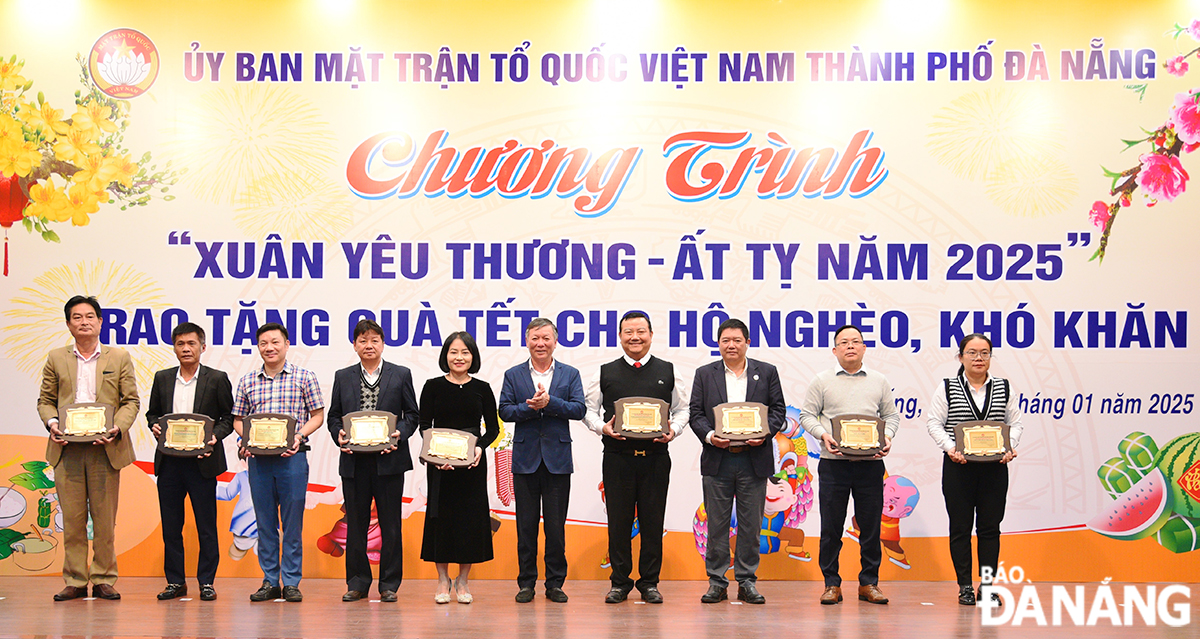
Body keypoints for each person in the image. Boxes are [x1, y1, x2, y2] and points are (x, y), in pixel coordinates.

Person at [37, 295, 140, 601]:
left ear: (100, 321)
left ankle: (104, 577)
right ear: (69, 324)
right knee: (72, 520)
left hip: (104, 449)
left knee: (105, 520)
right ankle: (75, 579)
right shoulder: (56, 358)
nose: (84, 322)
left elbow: (130, 401)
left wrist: (117, 428)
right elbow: (45, 401)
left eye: (90, 316)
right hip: (67, 449)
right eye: (77, 317)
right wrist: (53, 423)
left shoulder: (118, 357)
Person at [584, 311, 687, 604]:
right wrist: (601, 427)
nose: (635, 337)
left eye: (641, 331)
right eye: (628, 332)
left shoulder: (668, 371)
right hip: (618, 457)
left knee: (653, 522)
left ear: (651, 335)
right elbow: (588, 409)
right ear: (620, 337)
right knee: (619, 522)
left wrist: (674, 430)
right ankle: (619, 582)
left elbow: (683, 409)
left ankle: (650, 582)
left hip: (656, 458)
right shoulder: (604, 372)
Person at [800, 324, 900, 606]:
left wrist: (888, 437)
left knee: (870, 527)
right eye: (844, 342)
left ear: (864, 347)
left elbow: (891, 416)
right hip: (834, 464)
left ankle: (869, 583)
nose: (850, 346)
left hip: (870, 465)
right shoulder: (821, 380)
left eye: (856, 341)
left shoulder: (879, 380)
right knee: (831, 527)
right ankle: (831, 583)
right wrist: (824, 435)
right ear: (835, 350)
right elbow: (808, 415)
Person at [689, 318, 785, 605]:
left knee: (751, 524)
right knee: (717, 525)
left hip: (754, 460)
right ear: (718, 344)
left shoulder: (766, 372)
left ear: (747, 343)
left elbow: (778, 410)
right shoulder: (705, 374)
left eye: (737, 340)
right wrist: (709, 436)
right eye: (725, 340)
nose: (731, 345)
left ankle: (747, 581)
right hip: (718, 459)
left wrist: (765, 434)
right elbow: (696, 413)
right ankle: (717, 582)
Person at [926, 333, 1022, 606]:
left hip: (995, 469)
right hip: (959, 468)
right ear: (960, 357)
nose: (979, 358)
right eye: (972, 353)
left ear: (991, 357)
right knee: (960, 528)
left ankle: (988, 587)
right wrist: (950, 448)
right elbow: (934, 423)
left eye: (984, 353)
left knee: (990, 529)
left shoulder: (1004, 387)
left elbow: (1015, 423)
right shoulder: (946, 387)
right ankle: (965, 586)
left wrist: (1009, 446)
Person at [327, 319, 419, 603]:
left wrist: (398, 435)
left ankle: (389, 584)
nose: (369, 345)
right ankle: (357, 583)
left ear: (382, 344)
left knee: (391, 525)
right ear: (354, 345)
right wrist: (338, 435)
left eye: (374, 340)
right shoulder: (342, 376)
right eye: (363, 340)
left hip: (389, 462)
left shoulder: (401, 374)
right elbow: (333, 416)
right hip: (354, 463)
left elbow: (412, 415)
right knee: (356, 523)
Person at [232, 322, 324, 603]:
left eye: (275, 342)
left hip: (292, 459)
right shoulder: (247, 381)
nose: (269, 348)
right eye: (263, 343)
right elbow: (238, 419)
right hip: (259, 463)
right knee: (265, 523)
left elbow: (317, 415)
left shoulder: (304, 377)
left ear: (286, 345)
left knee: (292, 523)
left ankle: (292, 581)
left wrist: (298, 436)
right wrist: (245, 438)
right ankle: (270, 580)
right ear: (258, 347)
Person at [498, 317, 585, 604]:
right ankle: (526, 583)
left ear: (555, 341)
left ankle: (555, 583)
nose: (540, 343)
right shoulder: (513, 374)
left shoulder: (570, 374)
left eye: (546, 338)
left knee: (556, 527)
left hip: (558, 460)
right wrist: (529, 407)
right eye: (535, 338)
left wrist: (551, 403)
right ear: (527, 341)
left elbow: (579, 408)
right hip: (525, 460)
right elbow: (505, 411)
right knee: (525, 526)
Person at [145, 322, 234, 602]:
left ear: (202, 347)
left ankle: (206, 582)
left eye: (191, 343)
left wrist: (214, 437)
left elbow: (228, 418)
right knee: (171, 526)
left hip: (202, 462)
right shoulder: (162, 378)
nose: (186, 348)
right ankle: (175, 582)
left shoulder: (217, 378)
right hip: (169, 463)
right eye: (180, 344)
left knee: (206, 525)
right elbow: (152, 414)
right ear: (174, 348)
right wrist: (154, 426)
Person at [418, 331, 499, 604]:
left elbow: (493, 429)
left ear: (472, 356)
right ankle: (443, 579)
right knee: (440, 519)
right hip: (439, 464)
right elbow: (423, 426)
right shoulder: (432, 386)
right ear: (446, 356)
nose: (459, 357)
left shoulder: (482, 388)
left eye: (465, 352)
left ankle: (463, 581)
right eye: (454, 352)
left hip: (472, 464)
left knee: (470, 522)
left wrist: (478, 448)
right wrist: (437, 457)